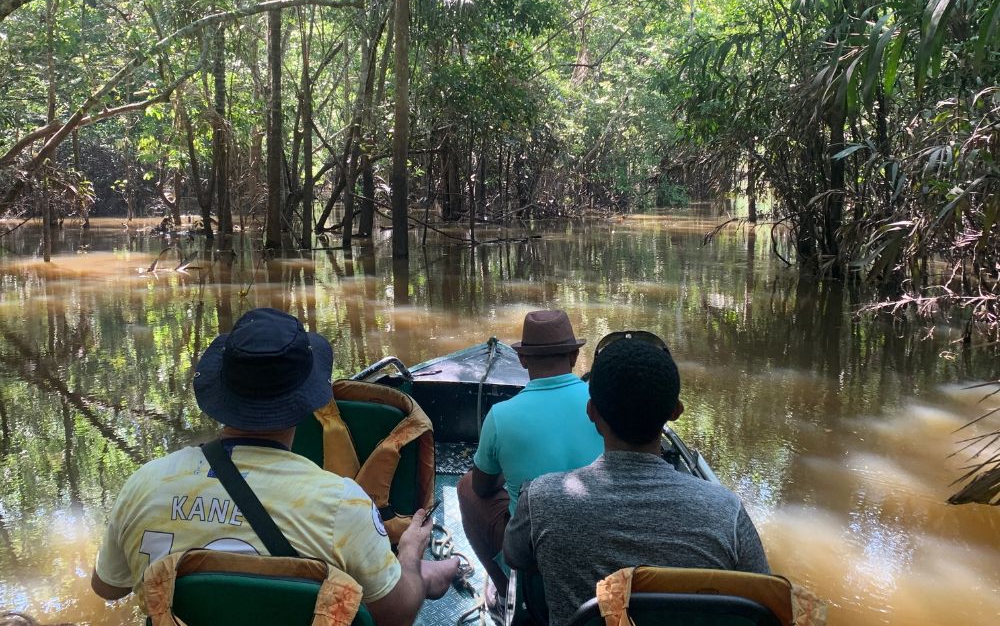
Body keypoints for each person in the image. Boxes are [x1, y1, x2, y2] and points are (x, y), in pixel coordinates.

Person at [90, 307, 458, 626]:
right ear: (307, 400)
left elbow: (108, 586)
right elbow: (397, 615)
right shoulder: (343, 506)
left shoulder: (146, 486)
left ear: (218, 390)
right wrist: (411, 555)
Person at [503, 335, 771, 626]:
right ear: (675, 412)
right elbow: (765, 602)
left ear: (592, 412)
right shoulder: (727, 511)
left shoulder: (542, 499)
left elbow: (515, 557)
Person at [458, 310, 603, 600]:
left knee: (465, 487)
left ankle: (505, 591)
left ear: (522, 359)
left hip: (534, 554)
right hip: (598, 544)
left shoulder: (501, 416)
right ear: (574, 356)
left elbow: (482, 488)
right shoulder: (602, 406)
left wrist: (508, 469)